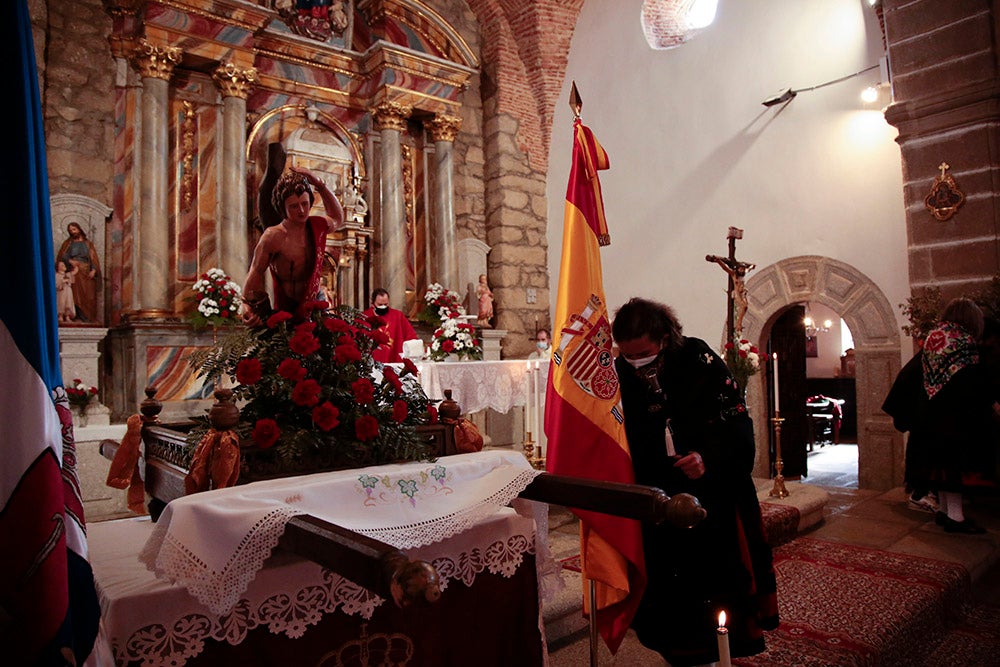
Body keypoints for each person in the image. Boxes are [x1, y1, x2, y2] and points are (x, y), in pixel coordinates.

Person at [611, 297, 778, 666]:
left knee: (713, 581)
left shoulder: (698, 359)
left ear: (666, 338)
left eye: (646, 354)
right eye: (628, 356)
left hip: (710, 491)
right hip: (654, 492)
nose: (638, 363)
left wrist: (706, 457)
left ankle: (718, 648)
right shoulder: (618, 370)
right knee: (666, 591)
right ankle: (676, 647)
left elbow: (735, 421)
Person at [919, 298, 999, 534]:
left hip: (933, 410)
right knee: (955, 465)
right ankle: (955, 517)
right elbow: (971, 380)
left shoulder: (935, 336)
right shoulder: (962, 340)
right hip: (957, 414)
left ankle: (945, 512)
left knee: (942, 466)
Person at [241, 166, 344, 325]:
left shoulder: (317, 226)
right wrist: (246, 304)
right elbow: (255, 272)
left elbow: (337, 218)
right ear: (283, 208)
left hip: (315, 303)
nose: (302, 210)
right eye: (294, 206)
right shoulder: (273, 236)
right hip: (285, 307)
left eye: (305, 203)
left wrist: (320, 185)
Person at [882, 348, 938, 513]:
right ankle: (919, 494)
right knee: (922, 450)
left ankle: (924, 492)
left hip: (920, 412)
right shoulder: (934, 351)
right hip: (920, 413)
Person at [57, 221, 102, 323]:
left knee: (89, 295)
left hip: (86, 272)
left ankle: (89, 317)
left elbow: (93, 258)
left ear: (79, 229)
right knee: (75, 295)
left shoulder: (88, 244)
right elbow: (62, 257)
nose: (73, 232)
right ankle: (77, 316)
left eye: (74, 229)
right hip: (75, 272)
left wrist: (94, 270)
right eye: (70, 231)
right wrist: (70, 261)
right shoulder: (68, 244)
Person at [363, 288, 419, 364]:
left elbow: (411, 336)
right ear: (372, 304)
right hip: (372, 362)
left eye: (385, 304)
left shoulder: (398, 316)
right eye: (380, 304)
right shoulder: (364, 317)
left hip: (394, 360)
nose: (383, 307)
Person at [55, 259, 78, 323]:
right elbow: (56, 284)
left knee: (68, 303)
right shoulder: (57, 275)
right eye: (62, 265)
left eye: (64, 265)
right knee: (61, 302)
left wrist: (75, 265)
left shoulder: (67, 274)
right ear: (58, 267)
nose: (64, 266)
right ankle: (60, 315)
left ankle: (67, 316)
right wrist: (63, 281)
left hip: (68, 291)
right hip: (61, 292)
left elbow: (74, 272)